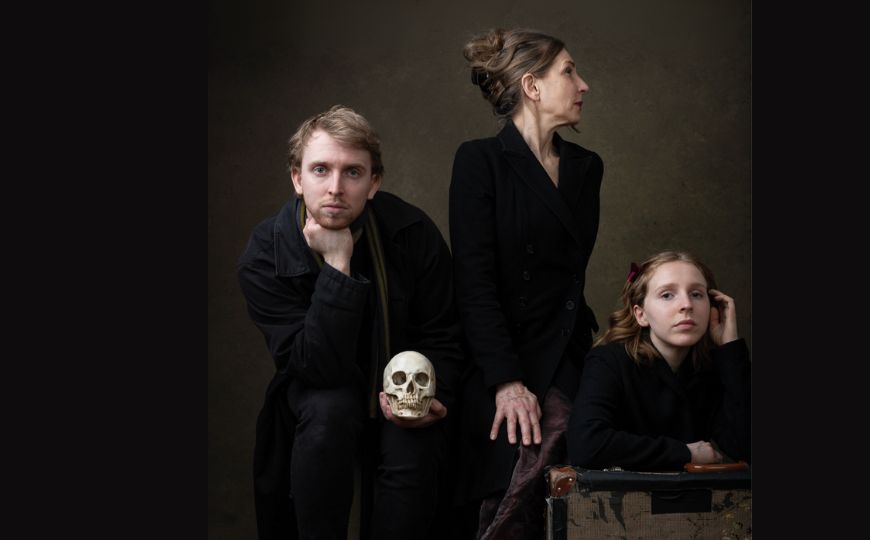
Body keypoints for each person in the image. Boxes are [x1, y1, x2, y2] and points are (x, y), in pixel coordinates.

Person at [237, 105, 463, 540]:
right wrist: (339, 265)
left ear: (374, 182)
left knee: (412, 448)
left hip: (401, 393)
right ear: (297, 178)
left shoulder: (412, 233)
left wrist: (435, 395)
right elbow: (315, 367)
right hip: (314, 396)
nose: (335, 188)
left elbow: (445, 333)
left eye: (353, 173)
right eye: (320, 170)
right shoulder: (267, 252)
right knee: (329, 410)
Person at [448, 28, 603, 539]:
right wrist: (508, 382)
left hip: (570, 349)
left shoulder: (586, 168)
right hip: (503, 355)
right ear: (532, 86)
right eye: (569, 72)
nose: (583, 85)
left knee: (598, 459)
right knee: (518, 451)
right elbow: (474, 283)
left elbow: (568, 286)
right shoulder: (479, 162)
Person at [566, 251, 751, 472]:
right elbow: (586, 446)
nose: (686, 305)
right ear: (640, 314)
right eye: (667, 295)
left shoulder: (709, 370)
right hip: (620, 501)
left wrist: (730, 348)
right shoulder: (609, 361)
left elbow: (747, 446)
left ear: (712, 308)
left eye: (696, 294)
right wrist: (686, 453)